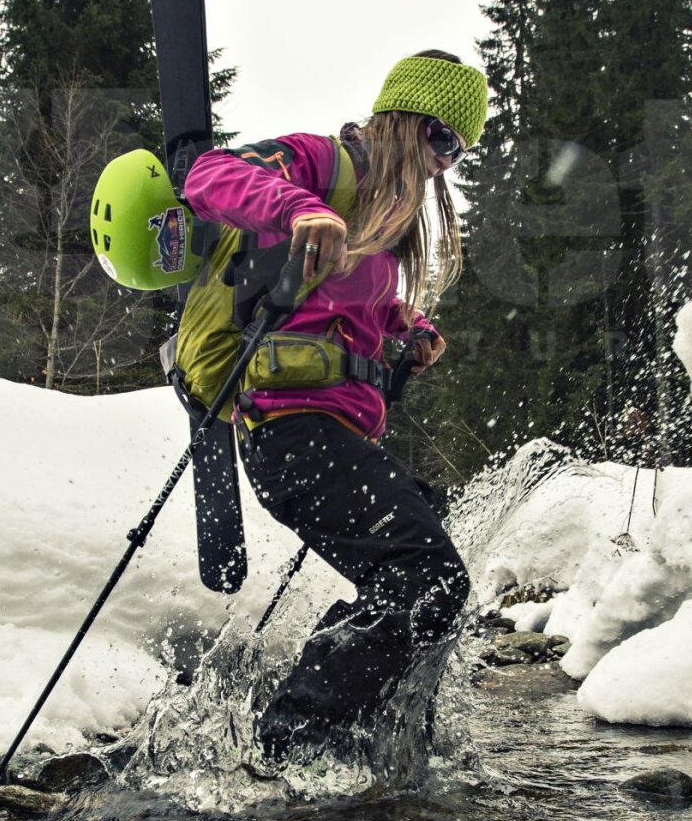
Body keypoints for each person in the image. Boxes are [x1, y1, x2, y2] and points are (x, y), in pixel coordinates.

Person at [183, 49, 488, 763]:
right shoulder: (322, 163)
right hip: (288, 432)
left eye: (460, 152)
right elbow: (209, 176)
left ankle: (344, 736)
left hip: (328, 434)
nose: (446, 162)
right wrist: (302, 207)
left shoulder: (382, 225)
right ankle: (291, 746)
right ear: (405, 118)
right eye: (443, 139)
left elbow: (360, 308)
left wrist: (409, 328)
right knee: (429, 576)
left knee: (421, 570)